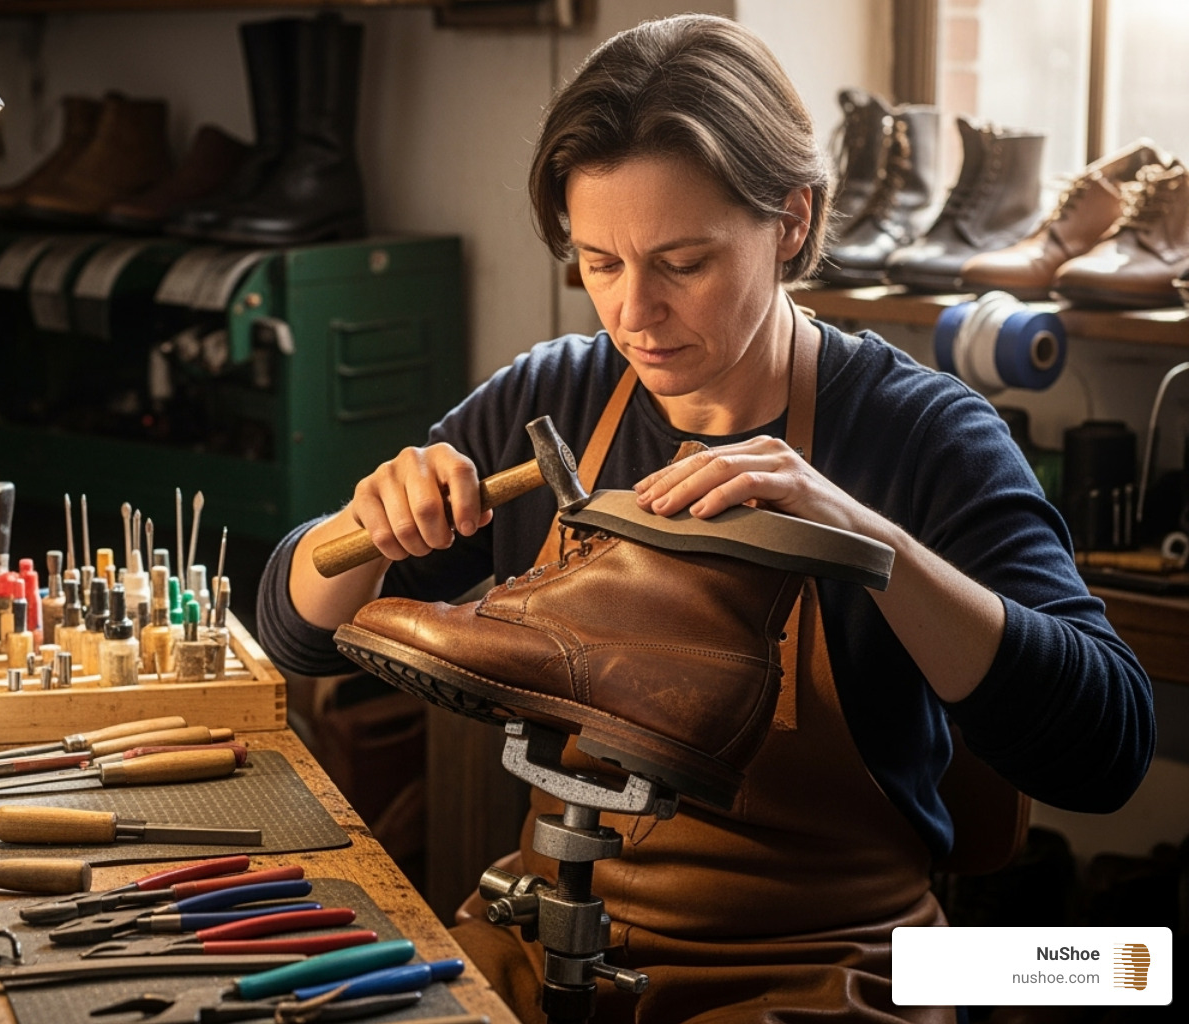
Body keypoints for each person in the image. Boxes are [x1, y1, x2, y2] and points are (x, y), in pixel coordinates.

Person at [257, 14, 1154, 1023]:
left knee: (1123, 971)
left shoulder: (922, 433)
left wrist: (874, 546)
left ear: (793, 224)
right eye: (598, 262)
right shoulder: (553, 402)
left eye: (683, 262)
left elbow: (1108, 749)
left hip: (824, 969)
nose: (634, 312)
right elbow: (294, 636)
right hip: (545, 933)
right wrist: (364, 536)